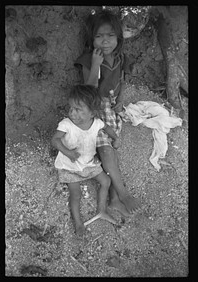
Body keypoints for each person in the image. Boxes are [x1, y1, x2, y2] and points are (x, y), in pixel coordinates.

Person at [74, 9, 141, 216]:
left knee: (109, 151)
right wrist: (95, 64)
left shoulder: (120, 57)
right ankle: (122, 193)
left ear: (118, 37)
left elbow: (121, 80)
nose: (105, 41)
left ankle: (113, 200)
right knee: (106, 150)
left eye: (110, 35)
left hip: (111, 108)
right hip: (94, 107)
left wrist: (120, 101)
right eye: (99, 36)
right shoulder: (89, 58)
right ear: (91, 39)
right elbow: (90, 89)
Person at [51, 84, 119, 236]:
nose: (72, 113)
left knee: (106, 182)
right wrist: (67, 152)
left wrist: (115, 138)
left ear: (92, 113)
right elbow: (55, 140)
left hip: (88, 163)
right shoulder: (66, 124)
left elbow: (106, 127)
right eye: (71, 108)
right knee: (76, 194)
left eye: (78, 109)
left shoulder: (96, 123)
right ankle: (78, 223)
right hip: (69, 166)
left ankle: (102, 210)